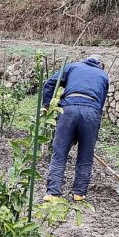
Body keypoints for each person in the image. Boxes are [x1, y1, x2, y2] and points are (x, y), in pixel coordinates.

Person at [42, 54, 109, 202]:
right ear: (100, 65)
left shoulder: (73, 66)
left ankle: (53, 193)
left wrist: (47, 105)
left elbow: (50, 82)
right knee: (86, 156)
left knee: (59, 153)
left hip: (69, 110)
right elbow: (101, 103)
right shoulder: (103, 76)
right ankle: (79, 194)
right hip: (92, 112)